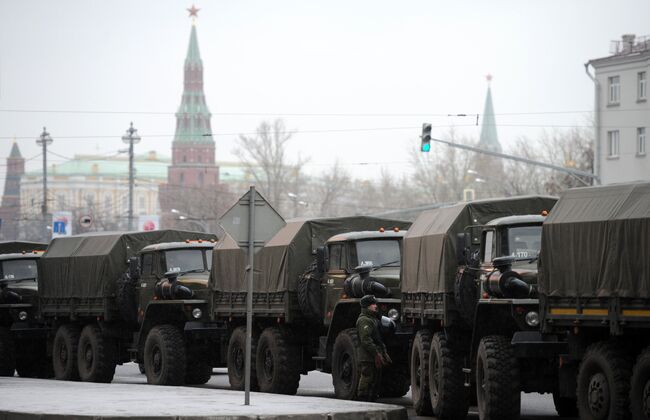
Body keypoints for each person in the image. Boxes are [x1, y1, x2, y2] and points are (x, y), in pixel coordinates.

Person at [356, 294, 392, 401]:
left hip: (374, 355)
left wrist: (383, 352)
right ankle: (363, 398)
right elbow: (366, 340)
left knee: (375, 379)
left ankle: (371, 398)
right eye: (373, 304)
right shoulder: (364, 320)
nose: (375, 306)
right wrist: (376, 354)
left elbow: (378, 339)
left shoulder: (373, 319)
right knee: (367, 377)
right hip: (368, 356)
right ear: (367, 306)